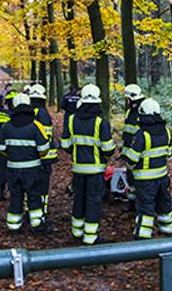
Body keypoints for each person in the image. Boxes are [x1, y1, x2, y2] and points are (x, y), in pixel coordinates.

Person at [61, 83, 114, 244]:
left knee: (79, 199)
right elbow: (108, 149)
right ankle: (90, 236)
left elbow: (65, 144)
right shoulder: (101, 123)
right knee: (93, 201)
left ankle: (77, 231)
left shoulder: (71, 120)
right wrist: (104, 157)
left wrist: (76, 153)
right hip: (95, 171)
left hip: (78, 169)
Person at [0, 93, 51, 232]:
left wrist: (12, 156)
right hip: (32, 168)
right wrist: (36, 157)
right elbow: (44, 148)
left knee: (16, 196)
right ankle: (37, 225)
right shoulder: (36, 126)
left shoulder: (6, 126)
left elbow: (1, 148)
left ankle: (13, 226)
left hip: (12, 168)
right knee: (34, 195)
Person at [123, 98, 172, 238]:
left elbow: (132, 159)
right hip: (162, 177)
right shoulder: (166, 131)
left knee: (146, 206)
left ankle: (143, 235)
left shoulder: (141, 134)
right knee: (164, 203)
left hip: (145, 180)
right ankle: (167, 228)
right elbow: (168, 153)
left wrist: (127, 163)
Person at [26, 83, 57, 215]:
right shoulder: (42, 113)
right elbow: (46, 136)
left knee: (30, 185)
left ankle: (29, 209)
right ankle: (41, 211)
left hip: (29, 155)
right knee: (42, 186)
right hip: (44, 156)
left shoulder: (27, 111)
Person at [121, 83, 146, 148]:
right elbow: (127, 134)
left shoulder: (143, 112)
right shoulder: (130, 111)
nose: (127, 102)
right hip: (131, 148)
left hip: (138, 148)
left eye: (128, 99)